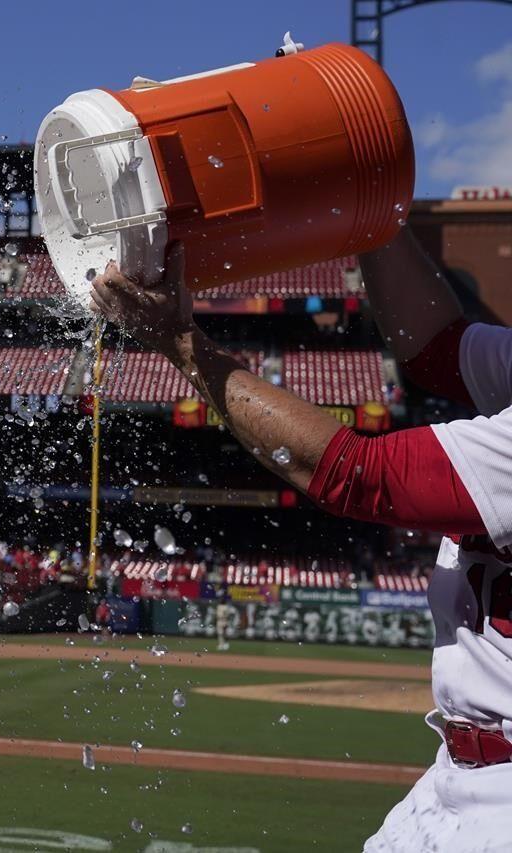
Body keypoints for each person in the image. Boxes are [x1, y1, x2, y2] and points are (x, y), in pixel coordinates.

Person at [94, 230, 512, 852]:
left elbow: (357, 474)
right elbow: (435, 351)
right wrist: (376, 212)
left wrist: (180, 342)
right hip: (457, 772)